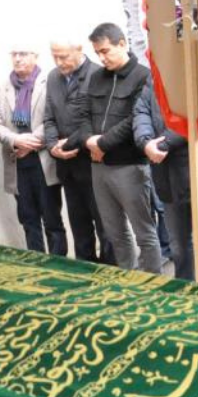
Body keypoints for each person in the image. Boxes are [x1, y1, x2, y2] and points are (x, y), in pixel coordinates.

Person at [64, 23, 161, 273]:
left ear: (122, 44)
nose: (101, 58)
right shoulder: (97, 77)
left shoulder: (143, 76)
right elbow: (83, 114)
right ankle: (128, 278)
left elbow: (135, 119)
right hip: (99, 166)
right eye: (97, 53)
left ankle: (154, 282)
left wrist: (102, 143)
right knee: (114, 231)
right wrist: (89, 141)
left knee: (144, 232)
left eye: (105, 51)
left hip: (129, 165)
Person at [134, 82, 198, 282]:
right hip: (166, 176)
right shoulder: (153, 80)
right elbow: (141, 112)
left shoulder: (194, 75)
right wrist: (145, 142)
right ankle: (185, 287)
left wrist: (162, 144)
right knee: (178, 244)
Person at [0, 45, 65, 255]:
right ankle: (36, 262)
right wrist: (16, 140)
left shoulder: (50, 82)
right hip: (17, 161)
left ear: (35, 56)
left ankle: (59, 264)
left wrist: (31, 142)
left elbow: (56, 116)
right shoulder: (2, 87)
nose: (18, 59)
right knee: (28, 219)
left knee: (52, 220)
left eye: (23, 54)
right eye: (14, 54)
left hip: (43, 160)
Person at [43, 40, 108, 263]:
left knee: (105, 225)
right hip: (67, 166)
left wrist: (68, 143)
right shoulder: (53, 77)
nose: (59, 62)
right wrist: (52, 146)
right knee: (79, 226)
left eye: (63, 57)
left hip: (93, 163)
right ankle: (85, 269)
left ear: (79, 50)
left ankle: (110, 272)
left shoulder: (98, 75)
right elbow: (48, 117)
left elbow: (98, 122)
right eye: (54, 57)